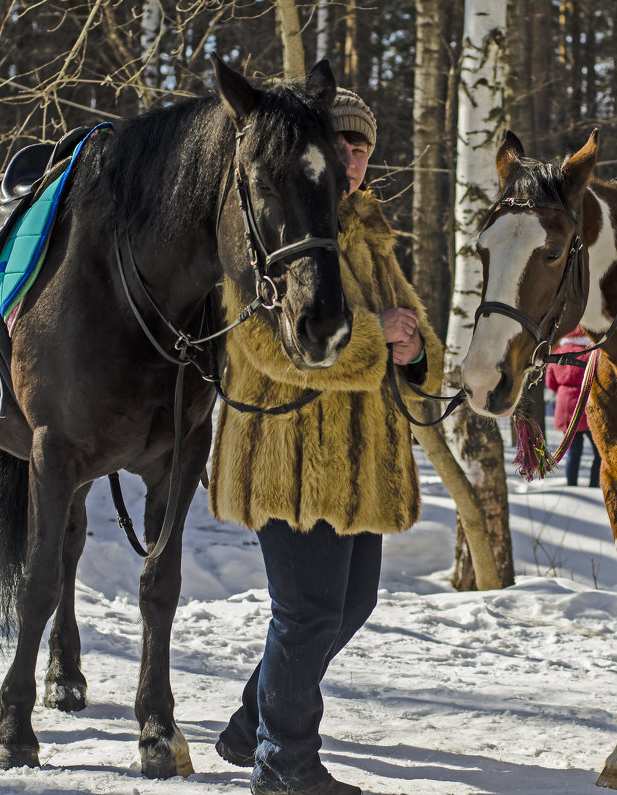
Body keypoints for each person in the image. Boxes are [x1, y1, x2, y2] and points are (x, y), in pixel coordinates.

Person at [208, 88, 444, 795]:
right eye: (339, 144)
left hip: (361, 467)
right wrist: (378, 337)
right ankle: (285, 763)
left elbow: (417, 329)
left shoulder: (370, 233)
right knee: (306, 611)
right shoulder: (268, 223)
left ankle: (252, 723)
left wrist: (414, 349)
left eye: (362, 148)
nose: (351, 158)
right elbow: (265, 348)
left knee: (349, 605)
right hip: (289, 458)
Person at [545, 327, 600, 488]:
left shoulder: (557, 353)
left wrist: (563, 392)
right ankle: (593, 485)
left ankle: (572, 485)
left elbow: (550, 383)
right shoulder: (592, 353)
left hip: (564, 408)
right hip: (586, 405)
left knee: (573, 451)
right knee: (598, 452)